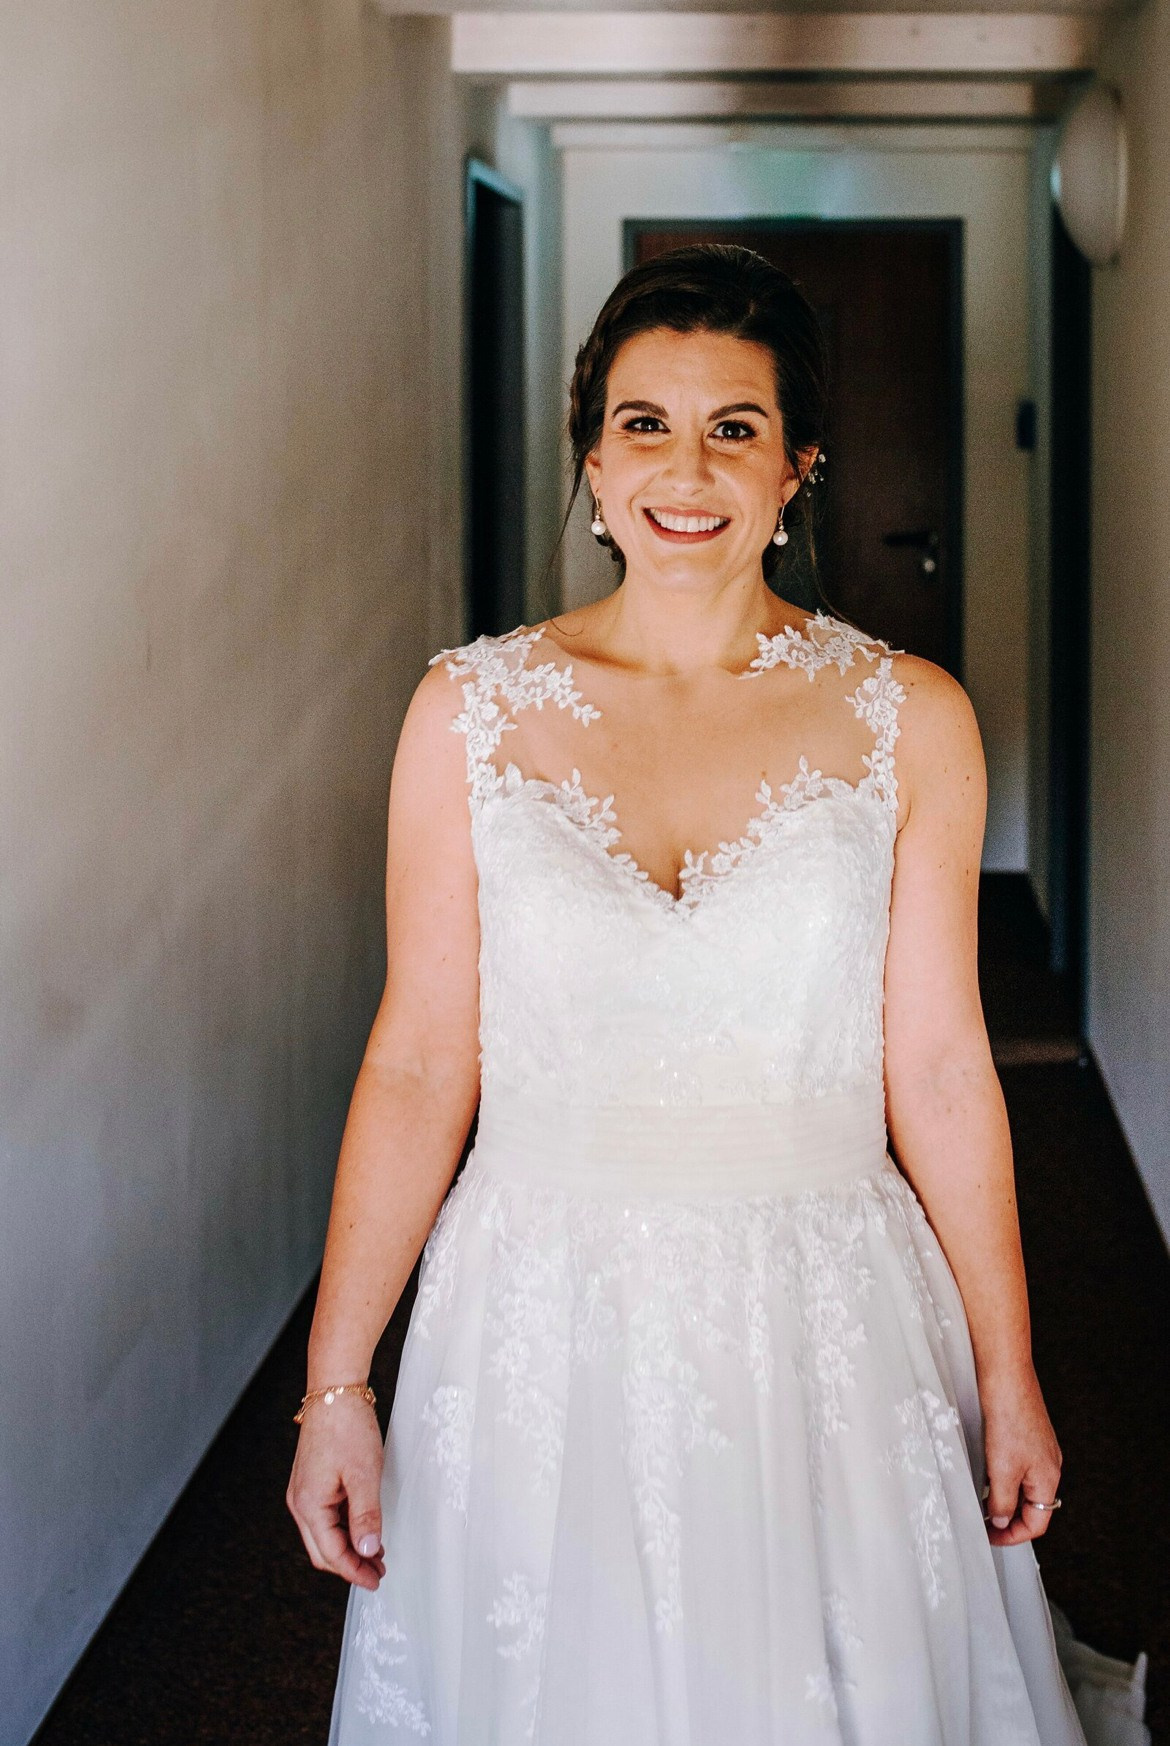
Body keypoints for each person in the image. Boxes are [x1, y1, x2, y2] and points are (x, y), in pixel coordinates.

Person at [287, 246, 1147, 1743]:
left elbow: (939, 1067)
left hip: (822, 1302)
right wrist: (335, 1382)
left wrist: (1010, 1372)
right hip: (534, 1307)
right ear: (591, 452)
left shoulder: (908, 715)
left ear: (798, 463)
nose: (685, 471)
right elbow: (422, 1061)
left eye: (733, 427)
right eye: (643, 423)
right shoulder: (467, 714)